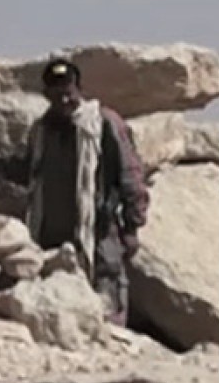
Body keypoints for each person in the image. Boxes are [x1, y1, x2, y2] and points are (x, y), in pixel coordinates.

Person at [13, 59, 150, 325]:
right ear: (46, 95)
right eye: (56, 95)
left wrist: (132, 228)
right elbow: (28, 174)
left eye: (68, 93)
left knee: (106, 314)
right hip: (51, 243)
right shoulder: (41, 131)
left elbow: (131, 178)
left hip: (98, 240)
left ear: (80, 89)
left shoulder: (103, 125)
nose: (64, 100)